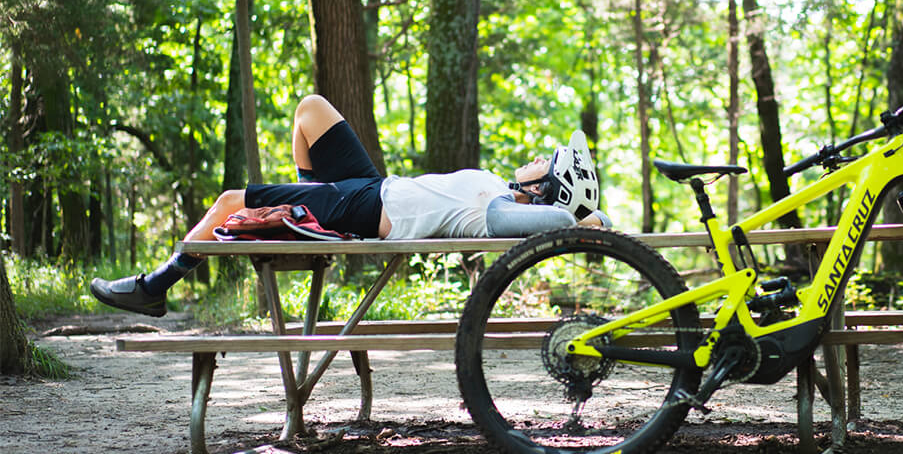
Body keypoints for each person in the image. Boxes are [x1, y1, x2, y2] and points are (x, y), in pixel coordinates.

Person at [91, 95, 607, 317]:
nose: (539, 157)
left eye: (548, 163)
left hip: (365, 206)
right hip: (368, 187)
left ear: (546, 189)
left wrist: (586, 221)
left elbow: (551, 222)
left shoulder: (497, 207)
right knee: (311, 110)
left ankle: (154, 287)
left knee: (230, 199)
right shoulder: (495, 185)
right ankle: (309, 214)